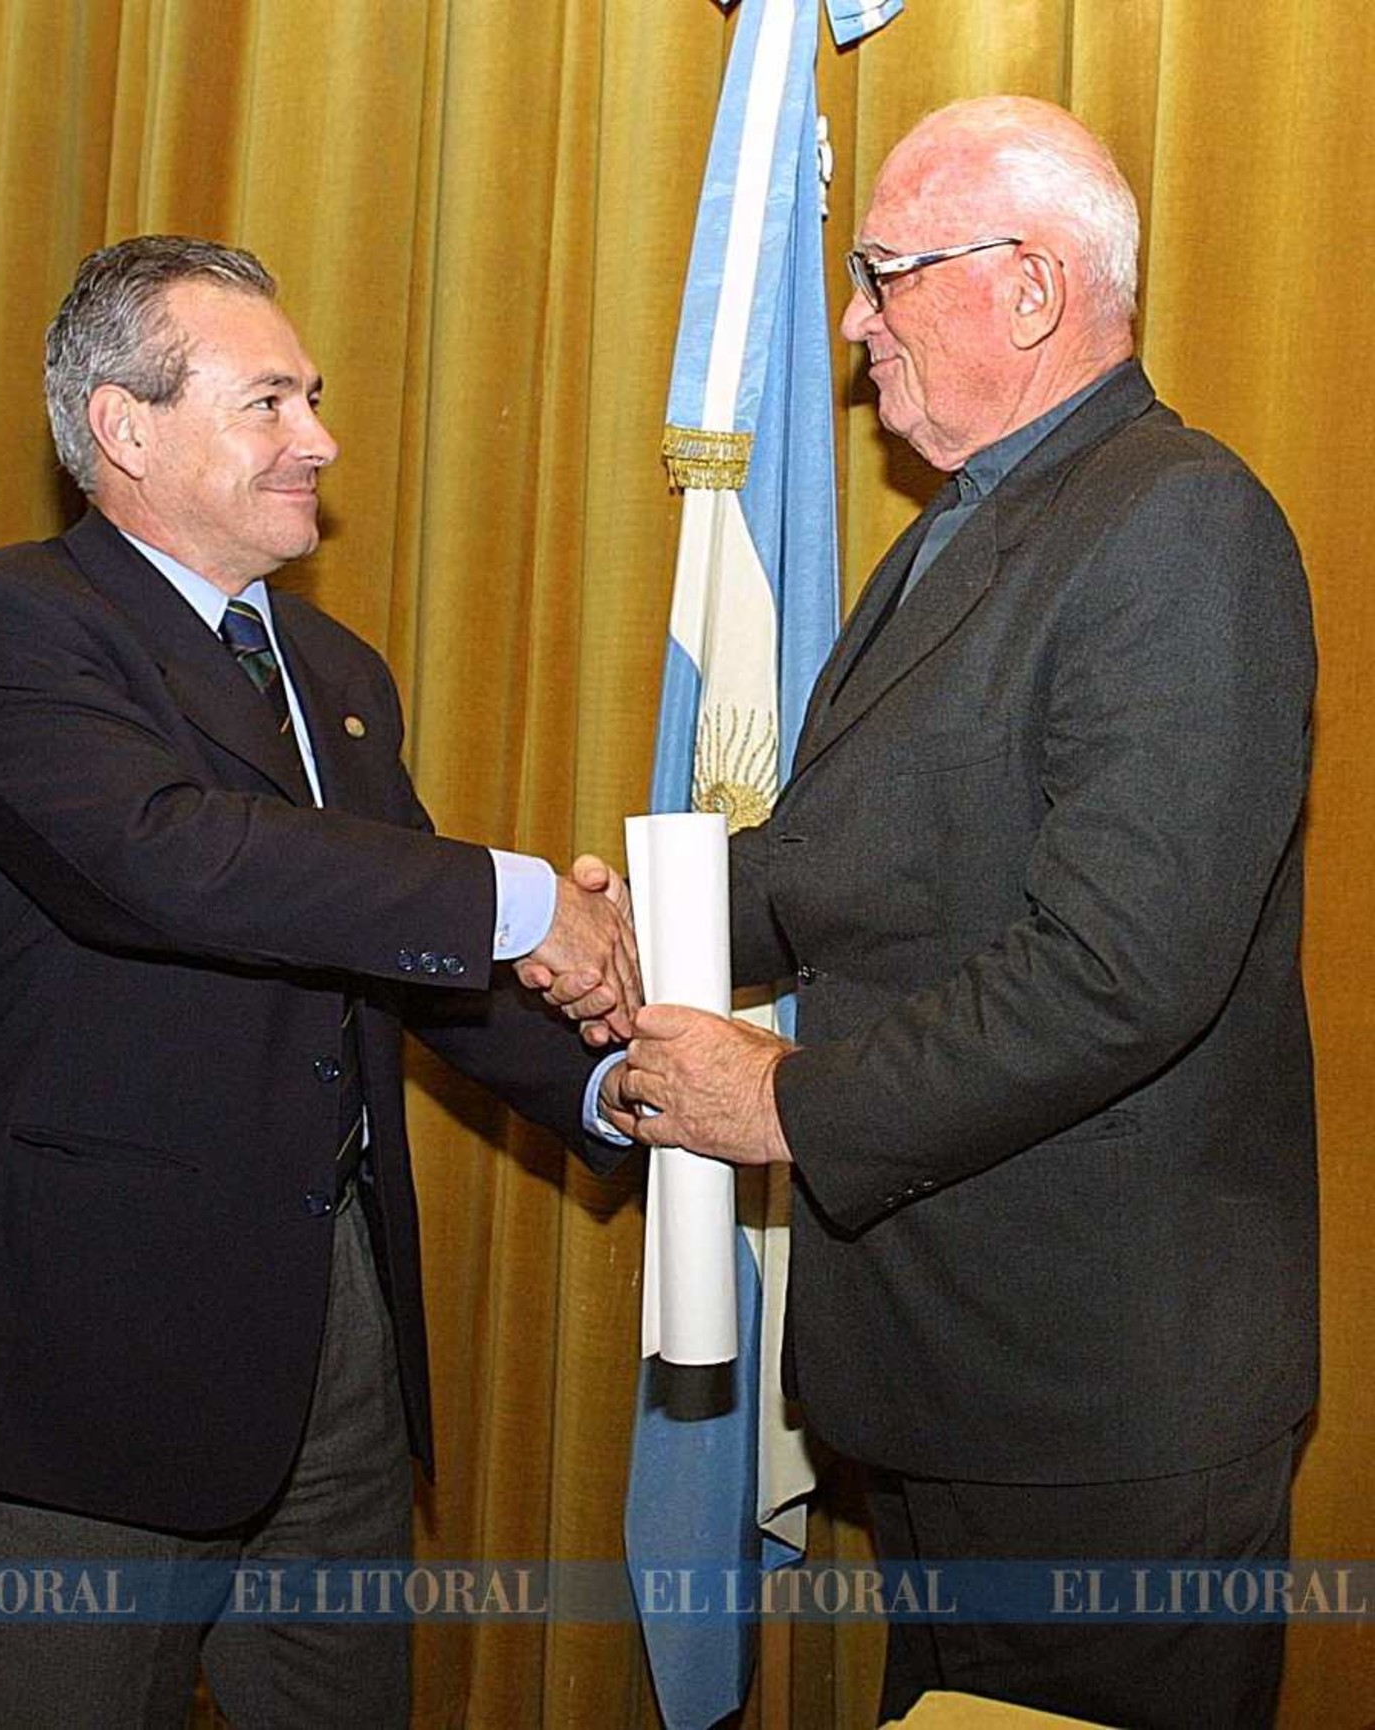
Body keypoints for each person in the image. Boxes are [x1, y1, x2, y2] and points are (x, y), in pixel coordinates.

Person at [602, 97, 1317, 1729]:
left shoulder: (1177, 523)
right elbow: (837, 864)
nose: (850, 323)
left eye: (882, 275)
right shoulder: (955, 535)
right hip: (944, 1375)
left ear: (1029, 287)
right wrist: (629, 924)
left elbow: (1120, 968)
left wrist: (782, 1099)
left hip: (1101, 1407)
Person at [0, 234, 636, 1728]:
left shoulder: (336, 673)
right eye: (269, 400)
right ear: (124, 428)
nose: (321, 439)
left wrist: (617, 1077)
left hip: (335, 1332)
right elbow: (169, 859)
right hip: (87, 1345)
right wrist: (522, 894)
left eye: (316, 397)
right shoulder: (0, 622)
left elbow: (405, 956)